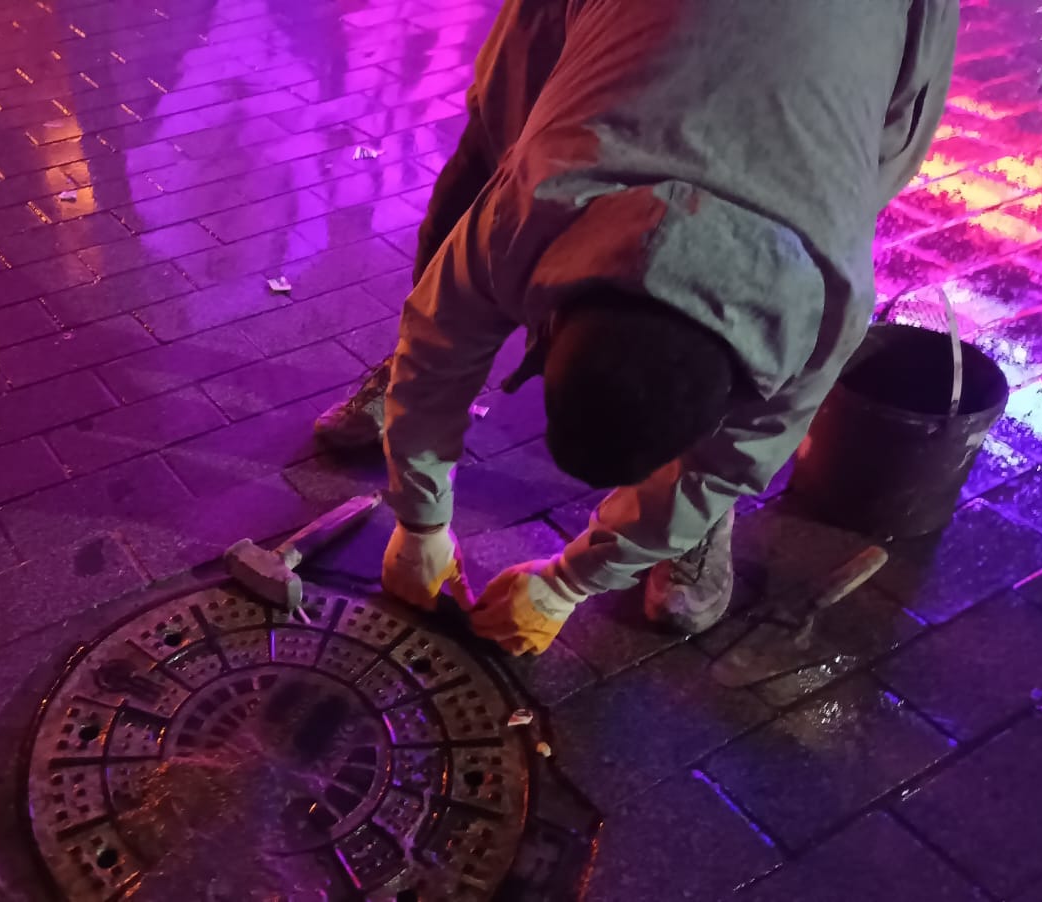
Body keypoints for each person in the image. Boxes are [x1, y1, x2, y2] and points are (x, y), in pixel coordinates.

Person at [315, 0, 958, 654]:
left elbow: (736, 460)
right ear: (557, 315)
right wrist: (418, 524)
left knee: (859, 158)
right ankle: (665, 506)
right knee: (497, 142)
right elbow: (437, 341)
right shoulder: (532, 199)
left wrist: (572, 580)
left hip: (854, 36)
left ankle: (692, 520)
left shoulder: (826, 305)